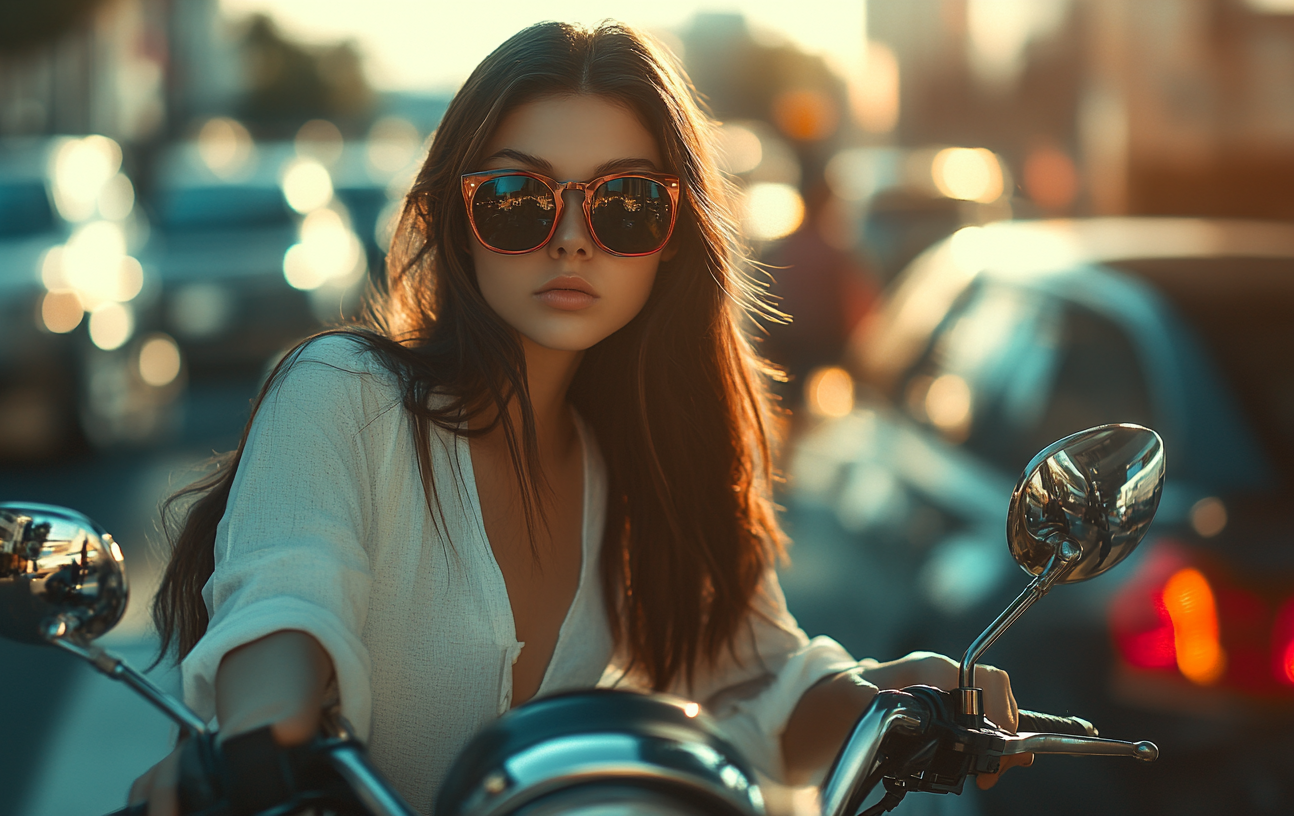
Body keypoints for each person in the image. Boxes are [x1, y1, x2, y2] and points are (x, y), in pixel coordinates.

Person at [129, 21, 1025, 816]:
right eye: (518, 199)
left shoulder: (652, 459)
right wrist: (250, 743)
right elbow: (285, 605)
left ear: (673, 233)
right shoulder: (343, 392)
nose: (571, 237)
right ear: (456, 214)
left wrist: (896, 693)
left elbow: (762, 683)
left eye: (624, 202)